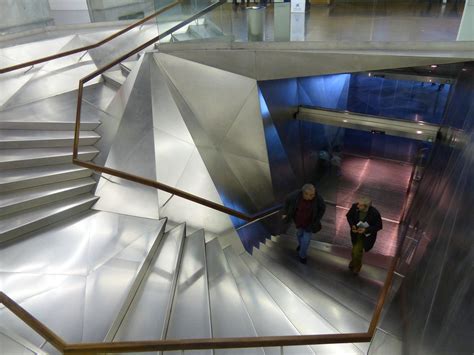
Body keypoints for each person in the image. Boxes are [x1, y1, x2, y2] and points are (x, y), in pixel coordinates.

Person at [282, 184, 326, 264]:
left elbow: (323, 207)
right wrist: (285, 213)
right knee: (299, 234)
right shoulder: (295, 196)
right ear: (304, 194)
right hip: (299, 221)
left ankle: (302, 255)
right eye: (311, 195)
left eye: (313, 194)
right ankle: (301, 245)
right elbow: (287, 200)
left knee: (306, 239)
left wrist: (317, 219)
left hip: (310, 223)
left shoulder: (317, 197)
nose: (313, 196)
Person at [346, 197, 383, 275]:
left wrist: (366, 230)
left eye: (360, 205)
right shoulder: (354, 207)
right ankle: (354, 262)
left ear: (366, 207)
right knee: (354, 251)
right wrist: (352, 225)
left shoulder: (374, 213)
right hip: (356, 234)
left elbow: (379, 226)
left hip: (366, 237)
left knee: (356, 251)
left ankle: (357, 265)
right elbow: (349, 216)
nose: (357, 206)